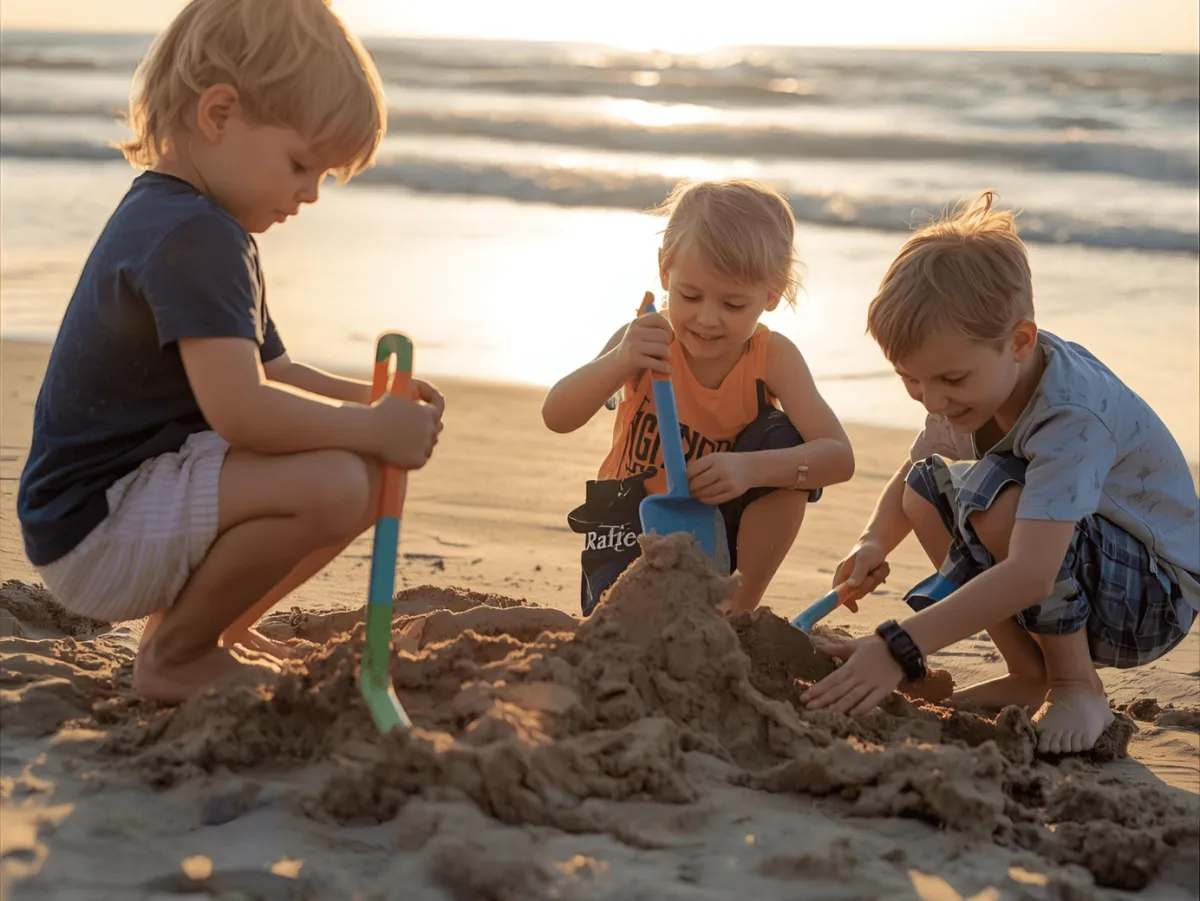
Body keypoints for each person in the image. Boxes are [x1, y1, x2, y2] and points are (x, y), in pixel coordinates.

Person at [17, 0, 444, 704]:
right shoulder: (193, 235)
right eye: (301, 164)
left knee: (359, 470)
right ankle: (177, 654)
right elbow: (243, 409)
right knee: (340, 481)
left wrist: (373, 404)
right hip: (100, 522)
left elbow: (273, 371)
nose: (309, 194)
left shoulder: (193, 218)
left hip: (116, 502)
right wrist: (371, 429)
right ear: (219, 114)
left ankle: (210, 630)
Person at [803, 191, 1199, 755]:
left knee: (994, 495)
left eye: (949, 380)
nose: (932, 400)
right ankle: (1028, 670)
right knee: (925, 490)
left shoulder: (1071, 415)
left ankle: (1074, 683)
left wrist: (896, 648)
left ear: (1019, 342)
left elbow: (1031, 575)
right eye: (911, 380)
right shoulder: (977, 382)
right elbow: (917, 469)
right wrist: (872, 540)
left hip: (1153, 597)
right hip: (1083, 568)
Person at [543, 179, 855, 615]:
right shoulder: (646, 340)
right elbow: (556, 415)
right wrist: (620, 360)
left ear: (773, 292)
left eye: (733, 305)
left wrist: (748, 468)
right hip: (628, 526)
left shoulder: (772, 358)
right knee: (633, 622)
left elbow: (839, 457)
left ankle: (735, 615)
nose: (708, 319)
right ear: (665, 267)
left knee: (784, 440)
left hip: (716, 533)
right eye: (690, 295)